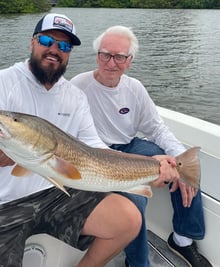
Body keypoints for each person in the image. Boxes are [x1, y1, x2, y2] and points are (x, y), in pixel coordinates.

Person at [0, 14, 179, 267]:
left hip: (56, 193)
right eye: (47, 40)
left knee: (129, 219)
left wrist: (150, 164)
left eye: (64, 46)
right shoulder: (0, 84)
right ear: (32, 42)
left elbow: (97, 150)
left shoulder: (75, 96)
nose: (54, 50)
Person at [71, 26, 212, 267]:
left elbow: (156, 128)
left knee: (184, 166)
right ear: (97, 56)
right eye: (105, 54)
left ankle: (182, 239)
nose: (111, 63)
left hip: (130, 144)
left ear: (129, 61)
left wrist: (179, 156)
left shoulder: (134, 88)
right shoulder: (78, 87)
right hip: (97, 156)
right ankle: (137, 262)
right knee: (134, 204)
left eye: (120, 57)